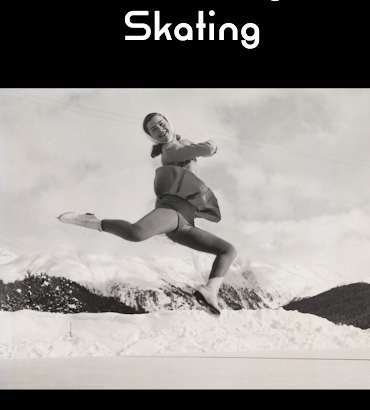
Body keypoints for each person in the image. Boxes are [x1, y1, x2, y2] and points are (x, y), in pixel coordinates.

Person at [57, 113, 237, 315]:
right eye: (154, 129)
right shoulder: (170, 150)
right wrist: (212, 144)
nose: (160, 129)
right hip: (173, 211)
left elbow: (195, 150)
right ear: (151, 137)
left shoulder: (180, 146)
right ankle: (90, 221)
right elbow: (208, 148)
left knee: (227, 251)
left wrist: (193, 145)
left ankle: (210, 291)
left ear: (169, 123)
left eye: (161, 124)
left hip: (186, 222)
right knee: (136, 233)